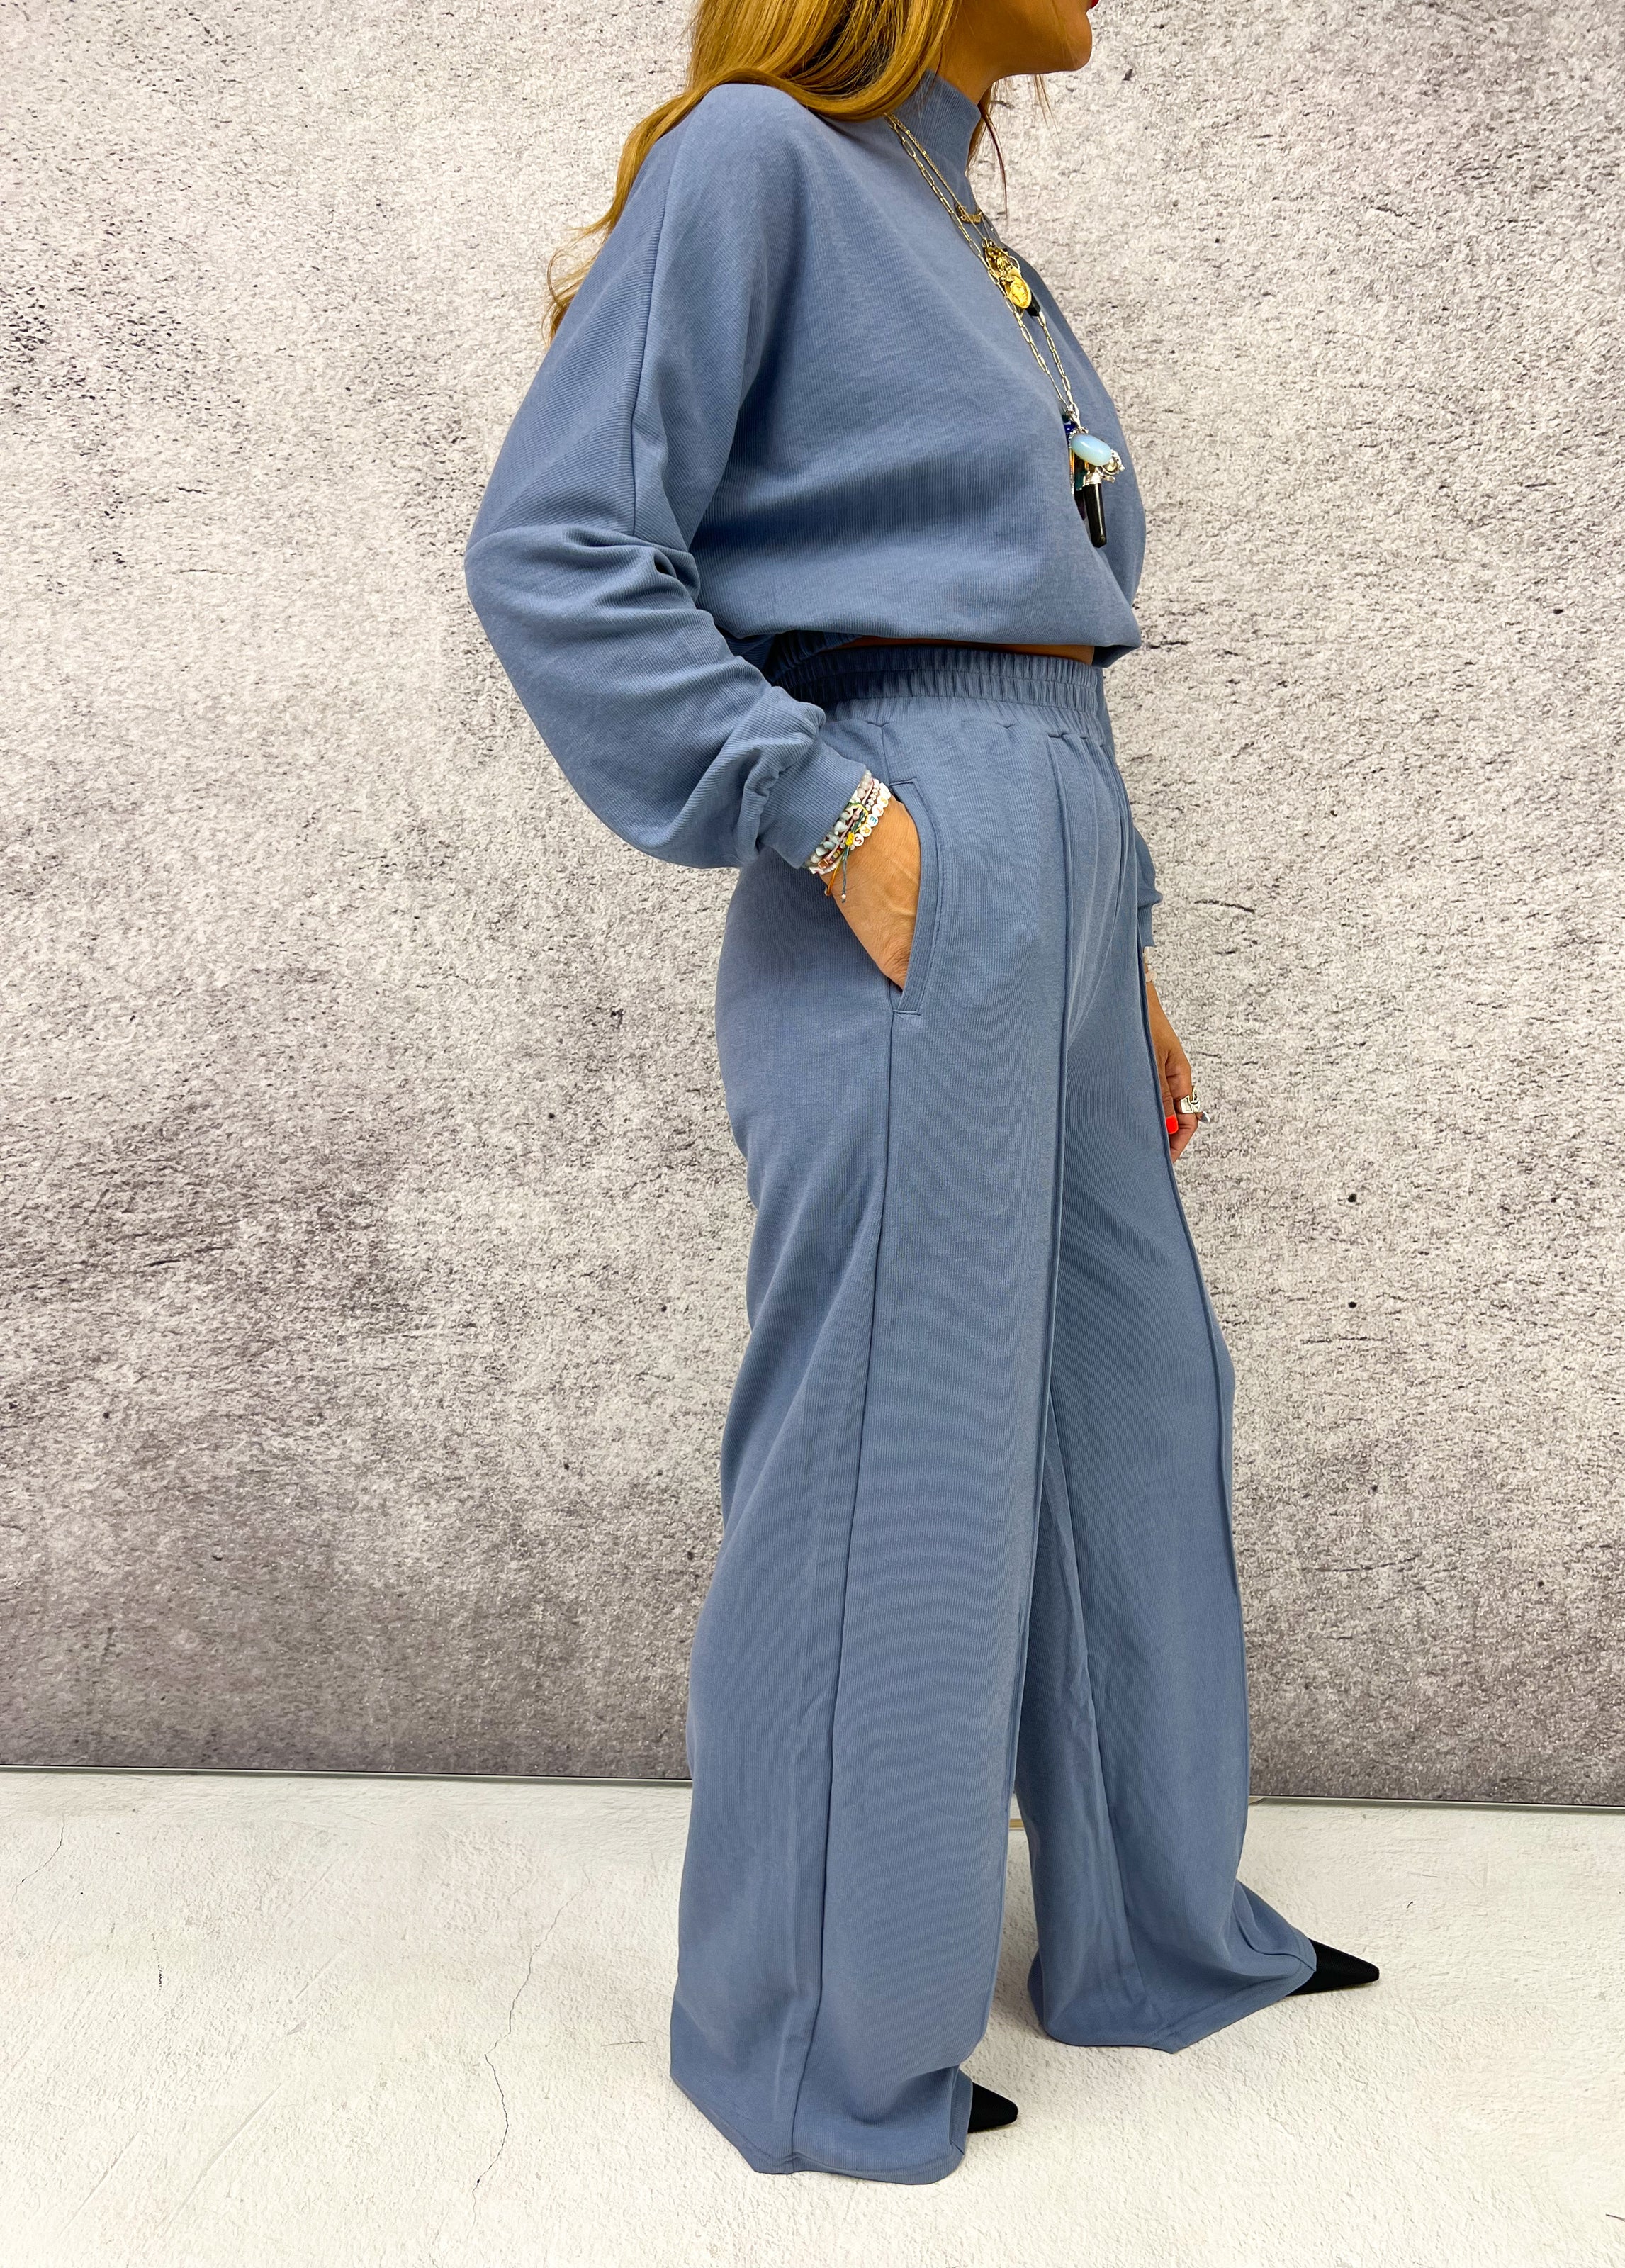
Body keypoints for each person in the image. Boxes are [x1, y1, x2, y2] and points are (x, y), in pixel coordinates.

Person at [463, 0, 1378, 2188]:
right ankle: (810, 2042)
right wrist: (829, 810)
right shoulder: (758, 160)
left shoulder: (968, 232)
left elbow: (1037, 627)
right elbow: (556, 545)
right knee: (901, 1443)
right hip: (910, 827)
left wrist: (1115, 942)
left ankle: (1154, 1935)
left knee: (1126, 1404)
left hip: (1057, 828)